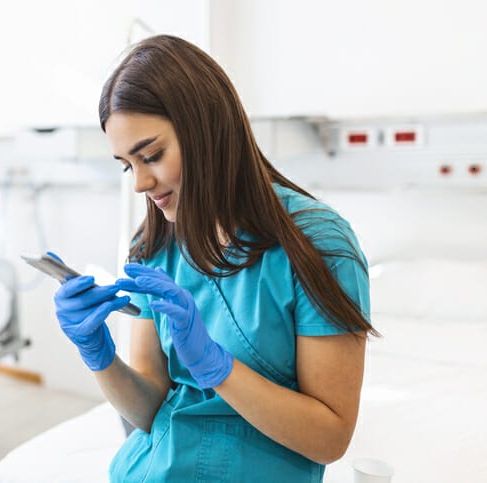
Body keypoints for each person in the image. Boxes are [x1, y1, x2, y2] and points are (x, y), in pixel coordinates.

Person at [52, 35, 376, 482]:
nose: (140, 183)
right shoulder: (154, 246)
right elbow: (147, 411)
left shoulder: (318, 244)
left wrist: (217, 367)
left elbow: (330, 439)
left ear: (207, 129)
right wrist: (99, 356)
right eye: (128, 165)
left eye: (152, 156)